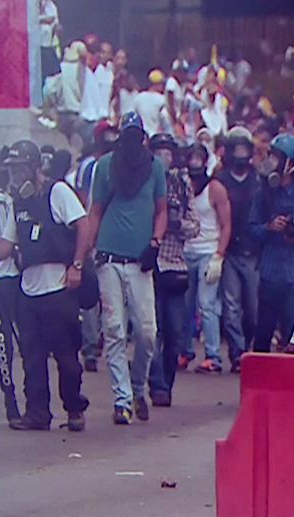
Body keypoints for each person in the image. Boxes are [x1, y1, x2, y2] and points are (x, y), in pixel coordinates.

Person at [89, 119, 168, 425]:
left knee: (148, 332)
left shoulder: (155, 167)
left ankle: (137, 387)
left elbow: (161, 210)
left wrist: (155, 242)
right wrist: (86, 254)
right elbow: (96, 211)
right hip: (109, 257)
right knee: (114, 330)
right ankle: (121, 399)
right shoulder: (105, 166)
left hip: (140, 261)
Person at [12, 146, 91, 432]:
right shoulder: (18, 202)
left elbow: (83, 225)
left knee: (66, 355)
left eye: (21, 168)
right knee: (32, 357)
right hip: (29, 288)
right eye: (13, 169)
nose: (17, 174)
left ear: (36, 167)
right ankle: (37, 413)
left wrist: (77, 265)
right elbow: (9, 240)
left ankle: (74, 408)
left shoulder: (57, 191)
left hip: (57, 286)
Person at [250, 135, 294, 353]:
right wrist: (269, 227)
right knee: (263, 334)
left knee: (292, 337)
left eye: (277, 157)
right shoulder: (263, 194)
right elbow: (251, 228)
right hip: (269, 272)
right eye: (271, 155)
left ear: (291, 163)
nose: (272, 161)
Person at [215, 128, 265, 371]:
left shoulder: (259, 180)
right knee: (231, 306)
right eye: (237, 149)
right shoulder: (221, 179)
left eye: (244, 149)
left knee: (253, 310)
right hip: (231, 250)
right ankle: (237, 354)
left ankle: (249, 346)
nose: (240, 154)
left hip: (254, 251)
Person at [0, 144, 28, 425]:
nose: (6, 173)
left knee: (27, 340)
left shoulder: (22, 197)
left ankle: (32, 399)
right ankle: (10, 398)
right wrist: (2, 250)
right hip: (0, 275)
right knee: (4, 340)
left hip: (21, 276)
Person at [149, 134, 191, 407]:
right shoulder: (146, 183)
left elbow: (195, 225)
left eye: (168, 151)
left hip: (175, 265)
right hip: (151, 264)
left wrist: (177, 223)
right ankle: (157, 385)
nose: (164, 157)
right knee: (152, 330)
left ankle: (168, 380)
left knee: (174, 334)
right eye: (159, 151)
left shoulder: (182, 185)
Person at [182, 141, 232, 373]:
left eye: (198, 159)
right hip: (185, 251)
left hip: (208, 251)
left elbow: (226, 224)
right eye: (191, 158)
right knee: (184, 305)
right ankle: (184, 351)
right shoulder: (182, 185)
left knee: (206, 304)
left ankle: (213, 355)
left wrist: (219, 256)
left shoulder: (215, 188)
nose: (194, 163)